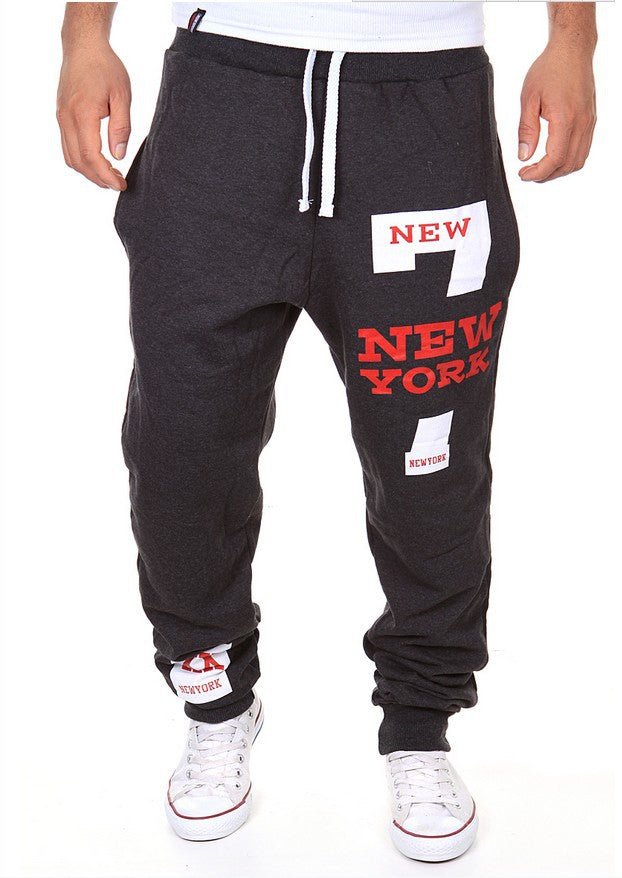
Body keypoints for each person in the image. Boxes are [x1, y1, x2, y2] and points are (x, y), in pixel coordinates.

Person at [57, 1, 597, 862]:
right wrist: (85, 37)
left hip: (423, 99)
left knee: (430, 457)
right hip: (224, 93)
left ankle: (419, 723)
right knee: (181, 446)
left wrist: (573, 41)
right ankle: (214, 697)